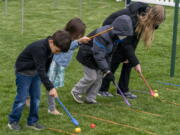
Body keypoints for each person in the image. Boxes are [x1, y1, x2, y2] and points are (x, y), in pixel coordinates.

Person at [8, 30, 72, 131]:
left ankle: (32, 121)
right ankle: (13, 121)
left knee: (36, 98)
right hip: (24, 72)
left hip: (36, 72)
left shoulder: (52, 48)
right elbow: (41, 69)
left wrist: (46, 80)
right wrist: (50, 87)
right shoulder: (40, 49)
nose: (57, 53)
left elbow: (46, 66)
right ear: (51, 42)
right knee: (22, 98)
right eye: (57, 50)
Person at [98, 2, 165, 98]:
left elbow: (133, 41)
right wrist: (136, 63)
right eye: (155, 23)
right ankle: (102, 88)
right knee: (117, 57)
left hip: (126, 32)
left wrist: (132, 59)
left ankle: (123, 90)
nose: (155, 26)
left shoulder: (145, 18)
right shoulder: (134, 19)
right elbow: (126, 43)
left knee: (129, 59)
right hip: (112, 29)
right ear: (151, 17)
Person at [71, 15, 133, 104]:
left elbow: (109, 53)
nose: (124, 37)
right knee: (91, 77)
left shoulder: (115, 37)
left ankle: (90, 98)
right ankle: (76, 91)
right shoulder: (102, 36)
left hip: (98, 56)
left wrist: (107, 69)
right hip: (87, 55)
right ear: (117, 31)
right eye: (123, 34)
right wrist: (106, 70)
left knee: (99, 77)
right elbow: (98, 54)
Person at [47, 18, 90, 115]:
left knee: (49, 85)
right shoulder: (64, 38)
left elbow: (73, 44)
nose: (80, 35)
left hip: (60, 65)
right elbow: (70, 45)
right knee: (51, 87)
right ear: (72, 31)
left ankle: (28, 97)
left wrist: (80, 41)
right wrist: (79, 41)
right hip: (54, 64)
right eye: (79, 34)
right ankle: (52, 108)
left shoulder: (72, 39)